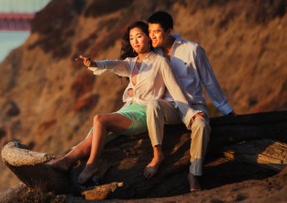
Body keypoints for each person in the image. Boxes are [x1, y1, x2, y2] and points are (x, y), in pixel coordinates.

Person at [47, 21, 192, 185]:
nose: (135, 41)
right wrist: (94, 64)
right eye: (131, 38)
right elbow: (113, 64)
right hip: (128, 110)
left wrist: (191, 117)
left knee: (100, 119)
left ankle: (92, 165)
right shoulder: (131, 63)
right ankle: (66, 161)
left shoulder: (160, 62)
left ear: (149, 38)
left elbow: (177, 92)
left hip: (144, 113)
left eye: (139, 36)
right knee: (95, 134)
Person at [144, 11, 235, 191]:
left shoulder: (193, 50)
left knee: (201, 125)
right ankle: (157, 155)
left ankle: (194, 173)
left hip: (193, 104)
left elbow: (209, 82)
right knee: (153, 104)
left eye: (156, 31)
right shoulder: (152, 53)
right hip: (169, 105)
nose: (151, 36)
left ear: (169, 31)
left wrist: (227, 110)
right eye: (150, 31)